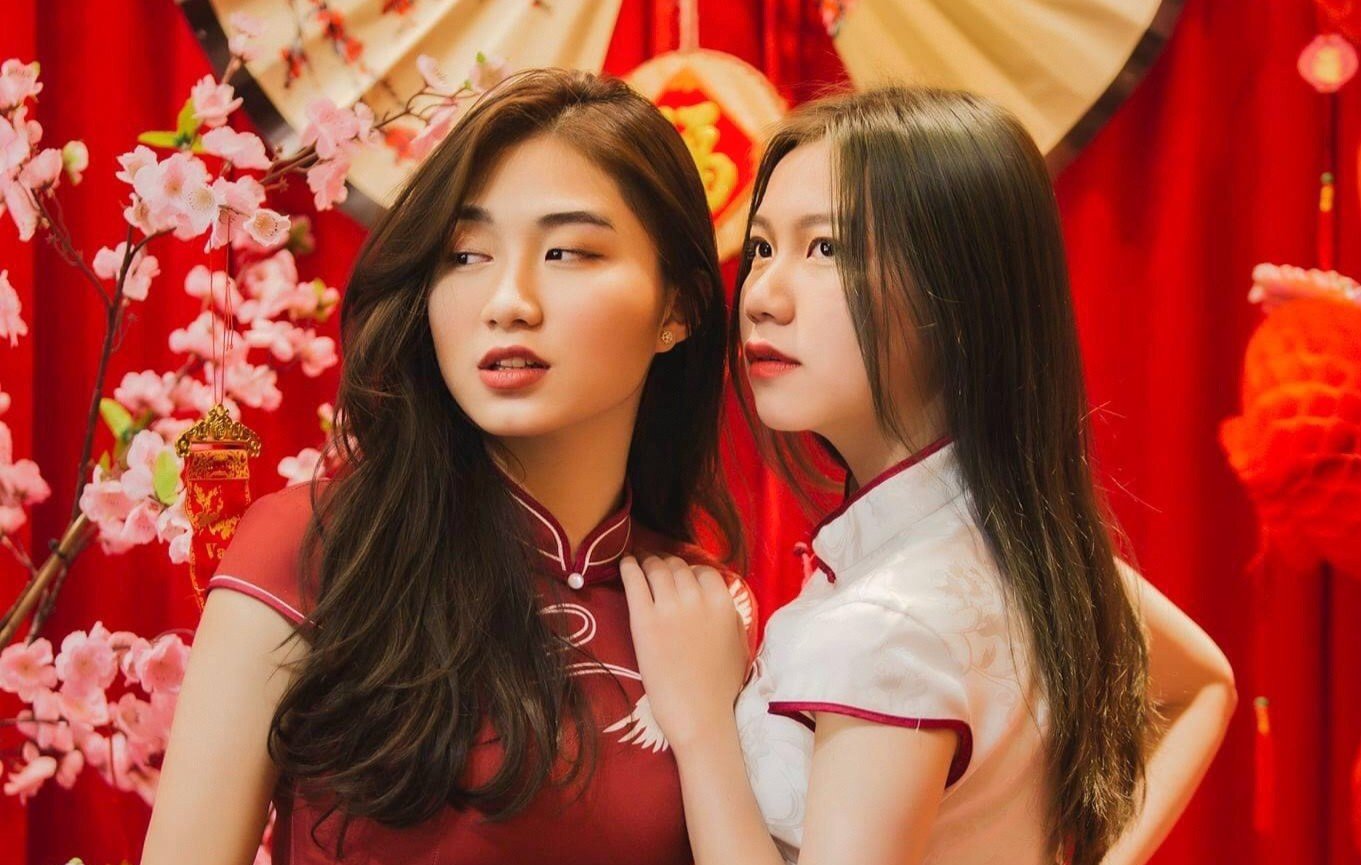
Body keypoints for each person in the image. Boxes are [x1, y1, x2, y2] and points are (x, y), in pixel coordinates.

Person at [142, 68, 756, 865]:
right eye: (465, 254)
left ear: (678, 307)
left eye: (567, 252)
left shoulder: (704, 606)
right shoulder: (314, 550)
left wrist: (707, 732)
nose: (508, 300)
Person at [622, 86, 1237, 865]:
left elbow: (1197, 688)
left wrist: (703, 724)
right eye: (765, 248)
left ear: (959, 291)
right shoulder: (1017, 538)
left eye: (826, 249)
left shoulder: (887, 625)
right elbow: (1202, 683)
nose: (762, 297)